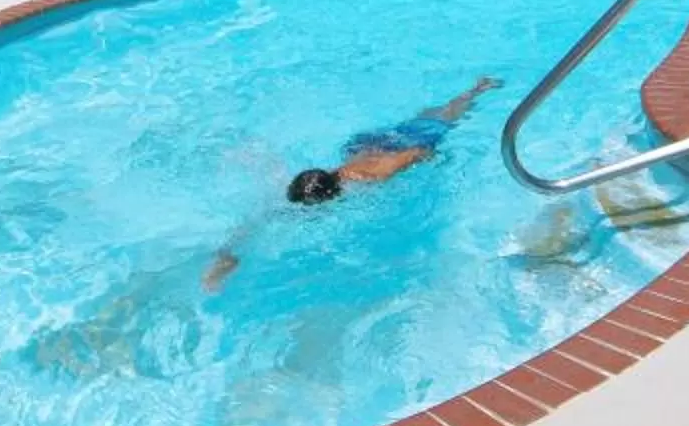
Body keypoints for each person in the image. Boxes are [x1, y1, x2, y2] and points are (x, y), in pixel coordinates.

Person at [204, 76, 502, 291]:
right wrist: (227, 255)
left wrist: (438, 161)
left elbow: (416, 152)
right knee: (422, 118)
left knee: (444, 118)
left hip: (399, 147)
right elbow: (263, 217)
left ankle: (478, 89)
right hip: (361, 145)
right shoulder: (316, 184)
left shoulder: (373, 175)